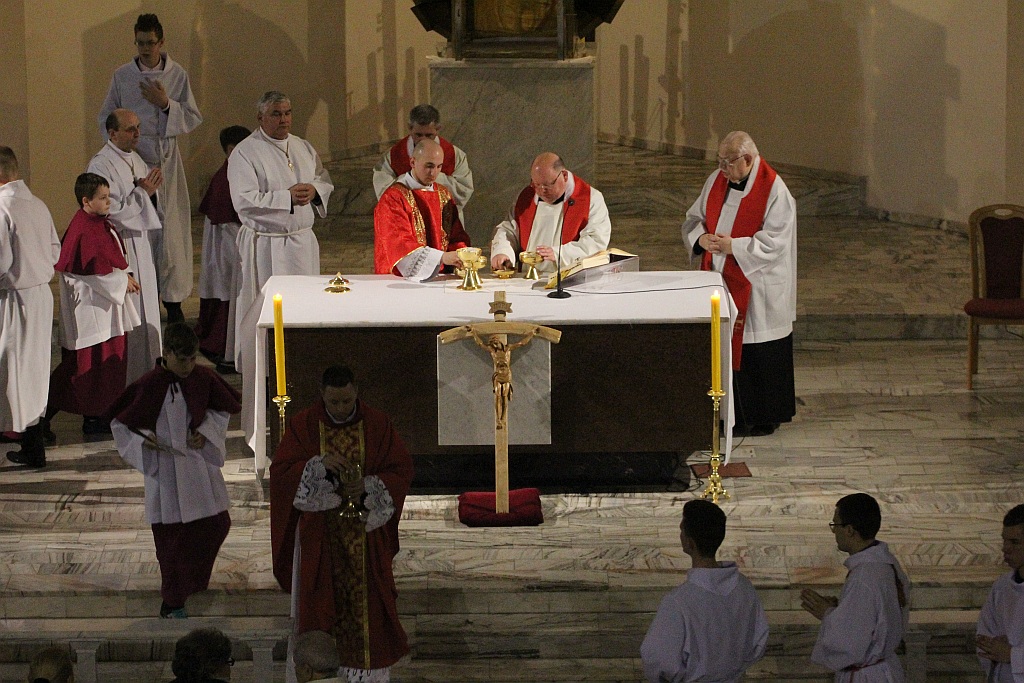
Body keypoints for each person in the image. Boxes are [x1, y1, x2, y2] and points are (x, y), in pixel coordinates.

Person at [270, 364, 413, 681]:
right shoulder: (304, 425)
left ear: (356, 393)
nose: (340, 408)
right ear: (322, 395)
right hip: (319, 538)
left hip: (364, 538)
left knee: (368, 614)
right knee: (320, 605)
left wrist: (369, 485)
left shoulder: (377, 424)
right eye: (333, 402)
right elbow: (282, 474)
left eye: (346, 401)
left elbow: (400, 471)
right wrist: (315, 466)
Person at [107, 322, 241, 619]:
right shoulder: (149, 384)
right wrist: (144, 440)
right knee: (170, 543)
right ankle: (173, 601)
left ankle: (192, 582)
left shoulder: (203, 377)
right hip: (165, 471)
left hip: (196, 467)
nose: (188, 366)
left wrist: (205, 432)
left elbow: (222, 409)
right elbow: (121, 423)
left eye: (193, 359)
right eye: (182, 359)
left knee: (217, 524)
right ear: (166, 353)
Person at [682, 130, 797, 437]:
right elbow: (694, 219)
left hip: (757, 285)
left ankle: (761, 417)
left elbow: (776, 242)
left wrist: (735, 247)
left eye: (728, 162)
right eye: (719, 161)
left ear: (747, 159)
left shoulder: (774, 190)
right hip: (721, 279)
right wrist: (701, 238)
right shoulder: (717, 181)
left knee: (757, 355)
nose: (722, 169)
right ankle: (725, 414)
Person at [99, 12, 203, 324]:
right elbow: (106, 118)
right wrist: (121, 150)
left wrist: (165, 104)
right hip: (135, 161)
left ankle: (172, 300)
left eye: (151, 43)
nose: (145, 48)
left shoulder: (177, 74)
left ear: (161, 42)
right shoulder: (122, 76)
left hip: (167, 161)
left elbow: (193, 116)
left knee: (170, 233)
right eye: (140, 43)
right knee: (139, 226)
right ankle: (141, 295)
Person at [228, 91, 334, 369]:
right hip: (267, 245)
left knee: (303, 306)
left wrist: (315, 190)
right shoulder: (245, 152)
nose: (284, 119)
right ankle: (264, 365)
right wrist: (285, 197)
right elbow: (242, 199)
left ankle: (302, 359)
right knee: (267, 310)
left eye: (287, 113)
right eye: (276, 114)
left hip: (302, 242)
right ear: (260, 117)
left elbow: (323, 178)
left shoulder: (302, 146)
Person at [46, 173, 141, 438]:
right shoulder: (83, 228)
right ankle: (90, 417)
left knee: (105, 367)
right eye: (103, 197)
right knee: (89, 368)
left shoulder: (96, 223)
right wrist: (121, 281)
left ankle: (99, 413)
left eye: (108, 195)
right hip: (92, 310)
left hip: (105, 306)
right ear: (86, 201)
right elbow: (89, 271)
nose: (108, 201)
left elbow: (108, 259)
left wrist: (123, 276)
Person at [640, 499, 768, 682]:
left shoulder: (678, 602)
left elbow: (658, 660)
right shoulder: (744, 588)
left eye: (681, 530)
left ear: (689, 543)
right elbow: (758, 642)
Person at [88, 108, 164, 384]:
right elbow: (109, 211)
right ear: (112, 133)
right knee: (131, 314)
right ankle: (129, 379)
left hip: (141, 244)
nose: (137, 133)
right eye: (130, 129)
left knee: (147, 309)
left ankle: (149, 375)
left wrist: (150, 195)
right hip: (121, 245)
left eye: (138, 127)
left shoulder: (136, 159)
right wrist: (143, 193)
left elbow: (147, 199)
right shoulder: (101, 165)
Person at [801, 493, 910, 682]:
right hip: (884, 670)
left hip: (867, 676)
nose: (833, 531)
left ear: (850, 530)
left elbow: (850, 642)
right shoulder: (887, 563)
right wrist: (841, 610)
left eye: (835, 525)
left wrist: (827, 614)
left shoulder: (864, 576)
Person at [0, 147, 60, 468]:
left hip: (11, 300)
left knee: (10, 371)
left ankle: (29, 445)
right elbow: (54, 251)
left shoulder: (2, 207)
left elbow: (1, 262)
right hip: (39, 297)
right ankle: (33, 446)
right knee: (33, 371)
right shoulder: (37, 205)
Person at [490, 152, 611, 276]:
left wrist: (559, 254)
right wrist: (502, 251)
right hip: (527, 279)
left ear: (564, 176)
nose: (542, 191)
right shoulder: (526, 197)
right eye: (536, 184)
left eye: (547, 185)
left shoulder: (590, 198)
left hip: (571, 280)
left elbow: (596, 241)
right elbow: (509, 230)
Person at [373, 138, 472, 279]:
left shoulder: (444, 194)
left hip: (440, 278)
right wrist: (442, 258)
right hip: (400, 281)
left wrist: (461, 254)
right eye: (429, 166)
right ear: (412, 162)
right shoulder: (393, 198)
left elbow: (456, 235)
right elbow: (399, 245)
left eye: (439, 167)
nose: (434, 173)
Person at [195, 125, 250, 373]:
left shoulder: (237, 170)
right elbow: (225, 217)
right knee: (228, 290)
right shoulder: (226, 176)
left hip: (230, 237)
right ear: (230, 150)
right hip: (227, 241)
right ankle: (222, 346)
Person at [372, 103, 474, 224]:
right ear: (410, 128)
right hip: (407, 223)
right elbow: (385, 196)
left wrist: (434, 178)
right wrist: (411, 179)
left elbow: (464, 190)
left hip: (443, 222)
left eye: (429, 135)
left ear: (437, 129)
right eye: (418, 135)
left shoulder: (455, 155)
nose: (423, 139)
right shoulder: (393, 157)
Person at [976, 503, 1024, 681]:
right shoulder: (1001, 587)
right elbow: (984, 637)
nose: (1005, 548)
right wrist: (994, 651)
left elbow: (1005, 652)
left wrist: (1013, 655)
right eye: (1004, 540)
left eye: (1015, 542)